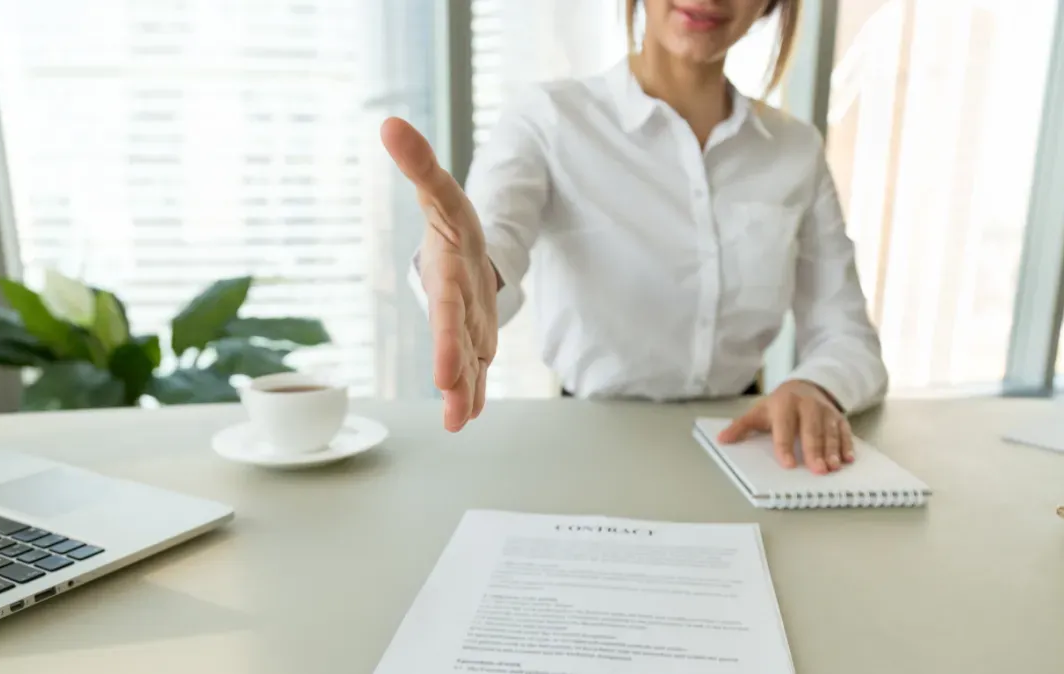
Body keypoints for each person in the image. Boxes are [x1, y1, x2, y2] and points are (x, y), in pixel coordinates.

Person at [380, 0, 887, 475]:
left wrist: (815, 386)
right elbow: (490, 243)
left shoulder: (795, 150)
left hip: (746, 449)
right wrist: (464, 276)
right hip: (588, 449)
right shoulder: (548, 119)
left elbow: (849, 339)